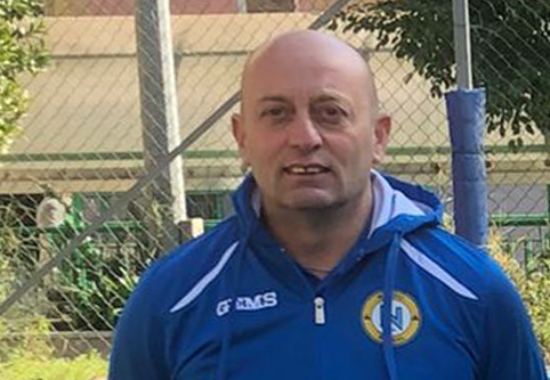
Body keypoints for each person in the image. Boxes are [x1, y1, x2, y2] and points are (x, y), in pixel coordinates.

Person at [109, 30, 548, 380]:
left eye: (330, 112)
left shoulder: (472, 289)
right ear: (242, 138)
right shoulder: (171, 296)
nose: (304, 137)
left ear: (378, 136)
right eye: (276, 114)